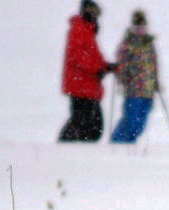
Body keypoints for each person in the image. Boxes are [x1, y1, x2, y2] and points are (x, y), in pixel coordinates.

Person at [59, 1, 116, 142]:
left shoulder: (88, 31)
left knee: (94, 126)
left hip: (89, 86)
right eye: (92, 11)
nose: (95, 15)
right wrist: (97, 69)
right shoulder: (79, 29)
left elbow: (93, 58)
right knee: (82, 122)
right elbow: (76, 55)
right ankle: (64, 149)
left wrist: (107, 66)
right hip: (80, 85)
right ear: (84, 11)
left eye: (97, 13)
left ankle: (83, 151)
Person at [110, 10, 160, 143]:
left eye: (143, 27)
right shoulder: (127, 44)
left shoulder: (149, 44)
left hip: (148, 90)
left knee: (141, 123)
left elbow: (153, 64)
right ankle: (118, 142)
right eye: (138, 27)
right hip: (134, 90)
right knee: (131, 120)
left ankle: (130, 143)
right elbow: (122, 65)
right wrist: (125, 80)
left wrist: (156, 81)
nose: (140, 30)